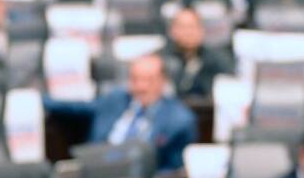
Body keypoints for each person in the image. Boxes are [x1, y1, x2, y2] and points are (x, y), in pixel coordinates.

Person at [46, 54, 198, 171]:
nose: (141, 87)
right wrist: (36, 99)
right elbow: (76, 107)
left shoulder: (179, 120)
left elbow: (173, 171)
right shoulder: (115, 99)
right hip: (97, 170)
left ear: (163, 81)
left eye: (148, 80)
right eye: (135, 79)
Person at [162, 7, 233, 99]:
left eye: (192, 27)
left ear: (202, 30)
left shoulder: (218, 59)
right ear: (172, 31)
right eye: (183, 27)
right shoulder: (161, 61)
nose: (188, 32)